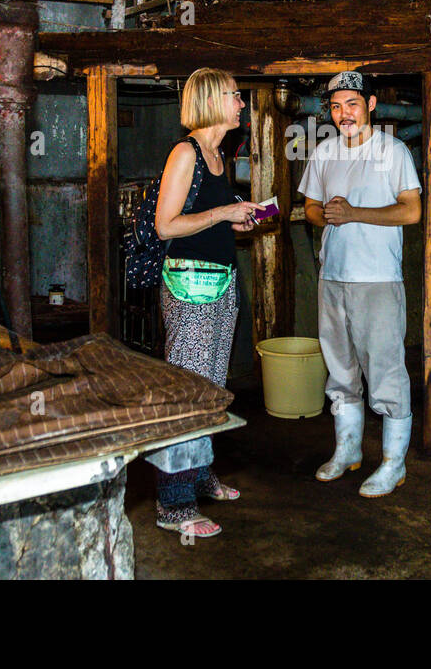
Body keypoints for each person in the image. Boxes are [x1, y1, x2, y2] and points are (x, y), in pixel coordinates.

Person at [148, 67, 263, 538]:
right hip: (189, 286)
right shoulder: (186, 153)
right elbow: (166, 225)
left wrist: (237, 223)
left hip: (220, 280)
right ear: (215, 100)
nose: (241, 104)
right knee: (187, 393)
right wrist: (222, 212)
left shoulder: (219, 154)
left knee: (211, 388)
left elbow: (204, 221)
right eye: (236, 96)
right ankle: (172, 504)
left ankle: (198, 474)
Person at [299, 71, 422, 497]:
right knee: (341, 371)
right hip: (333, 276)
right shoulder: (324, 153)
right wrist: (326, 215)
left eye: (352, 103)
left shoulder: (393, 151)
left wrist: (355, 214)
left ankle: (393, 463)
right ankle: (347, 451)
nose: (343, 113)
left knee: (386, 371)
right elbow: (312, 207)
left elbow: (411, 212)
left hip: (378, 279)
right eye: (335, 106)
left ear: (370, 104)